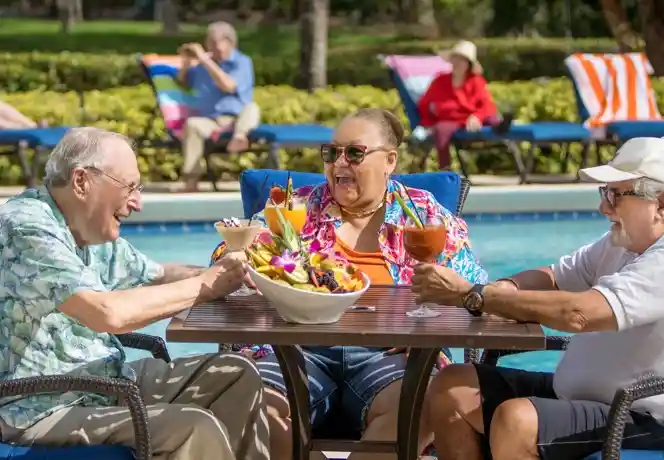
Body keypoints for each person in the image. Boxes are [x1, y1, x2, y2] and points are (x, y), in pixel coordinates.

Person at [411, 136, 664, 460]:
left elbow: (580, 314)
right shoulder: (625, 241)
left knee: (517, 421)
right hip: (600, 399)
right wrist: (505, 289)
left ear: (661, 204)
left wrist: (476, 296)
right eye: (605, 193)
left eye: (616, 195)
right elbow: (556, 277)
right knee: (453, 387)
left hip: (662, 422)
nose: (604, 207)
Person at [209, 108, 488, 460]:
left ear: (389, 160)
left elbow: (474, 289)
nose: (339, 163)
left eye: (354, 152)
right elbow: (230, 251)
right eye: (332, 152)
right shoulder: (296, 208)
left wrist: (429, 322)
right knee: (246, 403)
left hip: (390, 353)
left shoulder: (421, 214)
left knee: (425, 404)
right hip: (296, 347)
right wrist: (234, 262)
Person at [0, 127, 270, 460]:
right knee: (192, 427)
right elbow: (107, 314)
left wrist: (230, 272)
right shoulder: (27, 228)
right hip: (41, 408)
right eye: (130, 187)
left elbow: (159, 274)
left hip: (103, 383)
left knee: (234, 375)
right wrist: (205, 285)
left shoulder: (88, 230)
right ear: (82, 181)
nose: (138, 203)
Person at [177, 21, 261, 192]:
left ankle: (239, 138)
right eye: (210, 43)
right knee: (192, 124)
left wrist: (204, 61)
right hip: (212, 120)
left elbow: (228, 85)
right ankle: (191, 181)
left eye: (217, 43)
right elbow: (183, 83)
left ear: (230, 42)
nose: (214, 48)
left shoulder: (242, 62)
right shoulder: (203, 65)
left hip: (237, 119)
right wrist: (186, 62)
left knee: (252, 108)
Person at [414, 40, 511, 170]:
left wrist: (476, 116)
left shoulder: (476, 81)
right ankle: (445, 169)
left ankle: (501, 127)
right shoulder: (439, 81)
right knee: (442, 130)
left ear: (468, 64)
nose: (457, 63)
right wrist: (429, 124)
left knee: (491, 116)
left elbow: (486, 104)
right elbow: (424, 105)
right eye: (455, 58)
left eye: (462, 60)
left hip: (472, 119)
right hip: (449, 120)